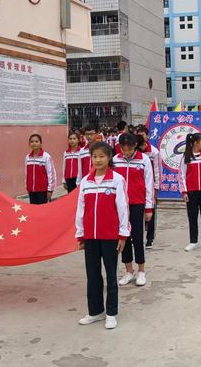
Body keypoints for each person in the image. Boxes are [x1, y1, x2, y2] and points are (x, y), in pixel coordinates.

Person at [75, 142, 129, 330]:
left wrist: (123, 234)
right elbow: (81, 209)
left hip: (110, 236)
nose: (97, 160)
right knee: (93, 275)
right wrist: (80, 234)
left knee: (111, 274)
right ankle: (95, 311)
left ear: (109, 158)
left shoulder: (116, 180)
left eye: (101, 156)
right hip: (90, 237)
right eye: (94, 156)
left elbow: (123, 208)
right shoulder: (85, 182)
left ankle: (111, 312)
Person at [113, 134, 154, 288]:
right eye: (123, 146)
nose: (126, 150)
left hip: (137, 204)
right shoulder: (115, 160)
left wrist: (149, 207)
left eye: (129, 147)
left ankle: (141, 271)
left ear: (135, 145)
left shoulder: (143, 160)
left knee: (138, 237)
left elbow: (149, 184)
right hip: (119, 205)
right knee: (124, 237)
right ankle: (129, 270)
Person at [178, 133, 201, 252]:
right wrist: (184, 192)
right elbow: (181, 176)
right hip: (191, 192)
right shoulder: (186, 157)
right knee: (192, 217)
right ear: (195, 143)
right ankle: (193, 241)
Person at [136, 125, 161, 249]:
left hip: (150, 187)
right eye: (138, 135)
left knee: (150, 211)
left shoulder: (154, 151)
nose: (141, 138)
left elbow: (157, 170)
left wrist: (156, 187)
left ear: (147, 136)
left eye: (142, 135)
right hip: (137, 187)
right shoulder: (134, 151)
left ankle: (150, 238)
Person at [25, 134, 56, 204]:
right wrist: (27, 186)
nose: (34, 143)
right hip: (31, 190)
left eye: (36, 141)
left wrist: (50, 190)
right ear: (29, 144)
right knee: (34, 211)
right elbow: (27, 174)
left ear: (41, 143)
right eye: (32, 142)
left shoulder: (46, 157)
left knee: (43, 211)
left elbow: (51, 174)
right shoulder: (27, 158)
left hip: (43, 190)